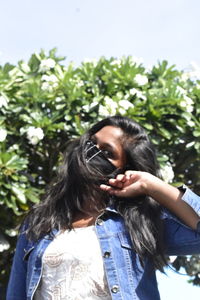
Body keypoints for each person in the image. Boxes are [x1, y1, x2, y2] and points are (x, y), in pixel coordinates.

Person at [6, 116, 200, 300]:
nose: (90, 153)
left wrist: (151, 185)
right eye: (91, 143)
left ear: (124, 169)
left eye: (107, 153)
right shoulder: (39, 222)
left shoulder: (140, 222)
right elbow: (16, 293)